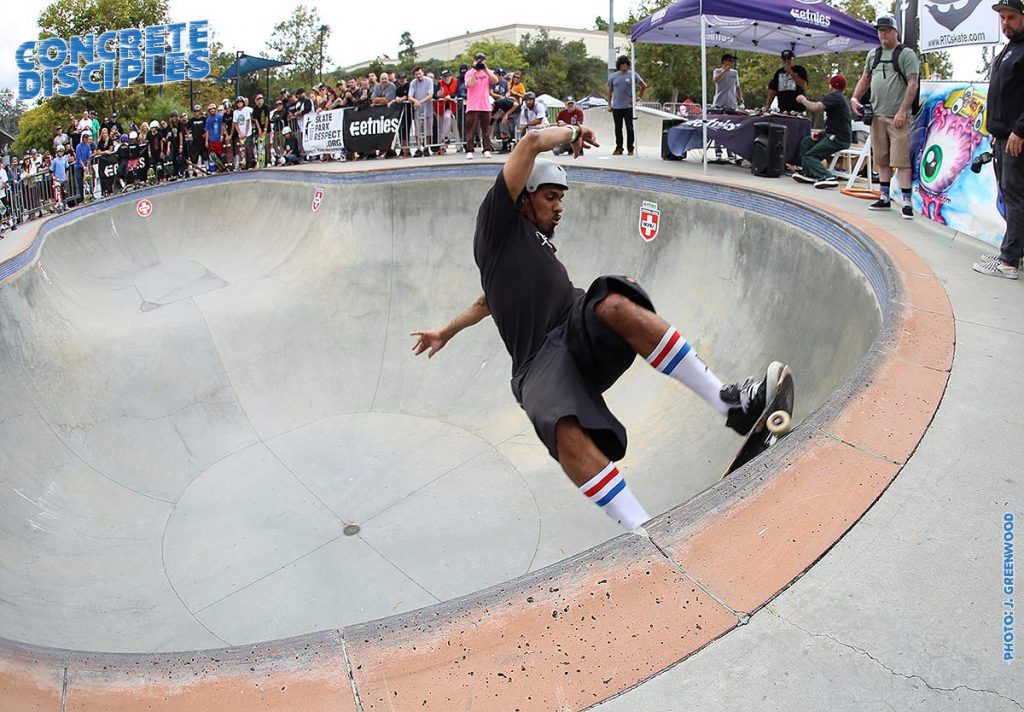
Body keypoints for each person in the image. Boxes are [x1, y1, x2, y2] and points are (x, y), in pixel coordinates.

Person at [409, 124, 784, 530]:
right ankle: (643, 531)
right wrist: (573, 130)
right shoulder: (497, 226)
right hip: (537, 363)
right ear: (522, 199)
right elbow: (531, 143)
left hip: (575, 326)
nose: (559, 208)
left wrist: (446, 331)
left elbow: (486, 303)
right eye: (550, 197)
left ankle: (728, 403)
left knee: (614, 301)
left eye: (561, 199)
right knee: (560, 426)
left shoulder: (532, 247)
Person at [972, 0, 1024, 279]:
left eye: (1011, 17)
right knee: (1009, 195)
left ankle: (1008, 261)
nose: (1005, 23)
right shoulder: (1009, 49)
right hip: (1002, 136)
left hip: (1016, 137)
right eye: (1002, 18)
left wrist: (1020, 130)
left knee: (1015, 196)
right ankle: (1017, 251)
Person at [851, 16, 920, 218]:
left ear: (895, 31)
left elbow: (912, 83)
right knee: (881, 158)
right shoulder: (873, 55)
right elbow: (865, 78)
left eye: (887, 30)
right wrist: (855, 98)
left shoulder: (906, 54)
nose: (883, 34)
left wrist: (902, 111)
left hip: (897, 117)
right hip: (877, 114)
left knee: (902, 160)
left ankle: (907, 202)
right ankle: (884, 197)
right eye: (880, 30)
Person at [792, 75, 853, 189]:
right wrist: (822, 133)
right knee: (807, 142)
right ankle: (809, 173)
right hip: (832, 134)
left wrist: (803, 100)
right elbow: (837, 122)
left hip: (838, 138)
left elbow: (816, 107)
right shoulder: (839, 99)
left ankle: (826, 177)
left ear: (832, 85)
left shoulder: (835, 96)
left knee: (810, 156)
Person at [607, 55, 647, 156]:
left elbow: (644, 85)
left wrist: (638, 97)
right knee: (618, 128)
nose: (624, 66)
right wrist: (609, 104)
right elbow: (610, 90)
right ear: (619, 65)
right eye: (622, 64)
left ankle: (630, 148)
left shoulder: (633, 75)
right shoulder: (613, 76)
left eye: (626, 64)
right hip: (616, 106)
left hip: (628, 106)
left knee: (630, 127)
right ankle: (619, 148)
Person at [464, 53, 496, 160]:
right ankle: (469, 150)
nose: (480, 62)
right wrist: (475, 71)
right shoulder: (469, 73)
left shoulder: (487, 72)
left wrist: (485, 69)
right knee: (471, 130)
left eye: (482, 60)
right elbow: (470, 84)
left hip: (485, 106)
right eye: (478, 60)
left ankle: (486, 149)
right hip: (473, 106)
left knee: (486, 130)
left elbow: (495, 80)